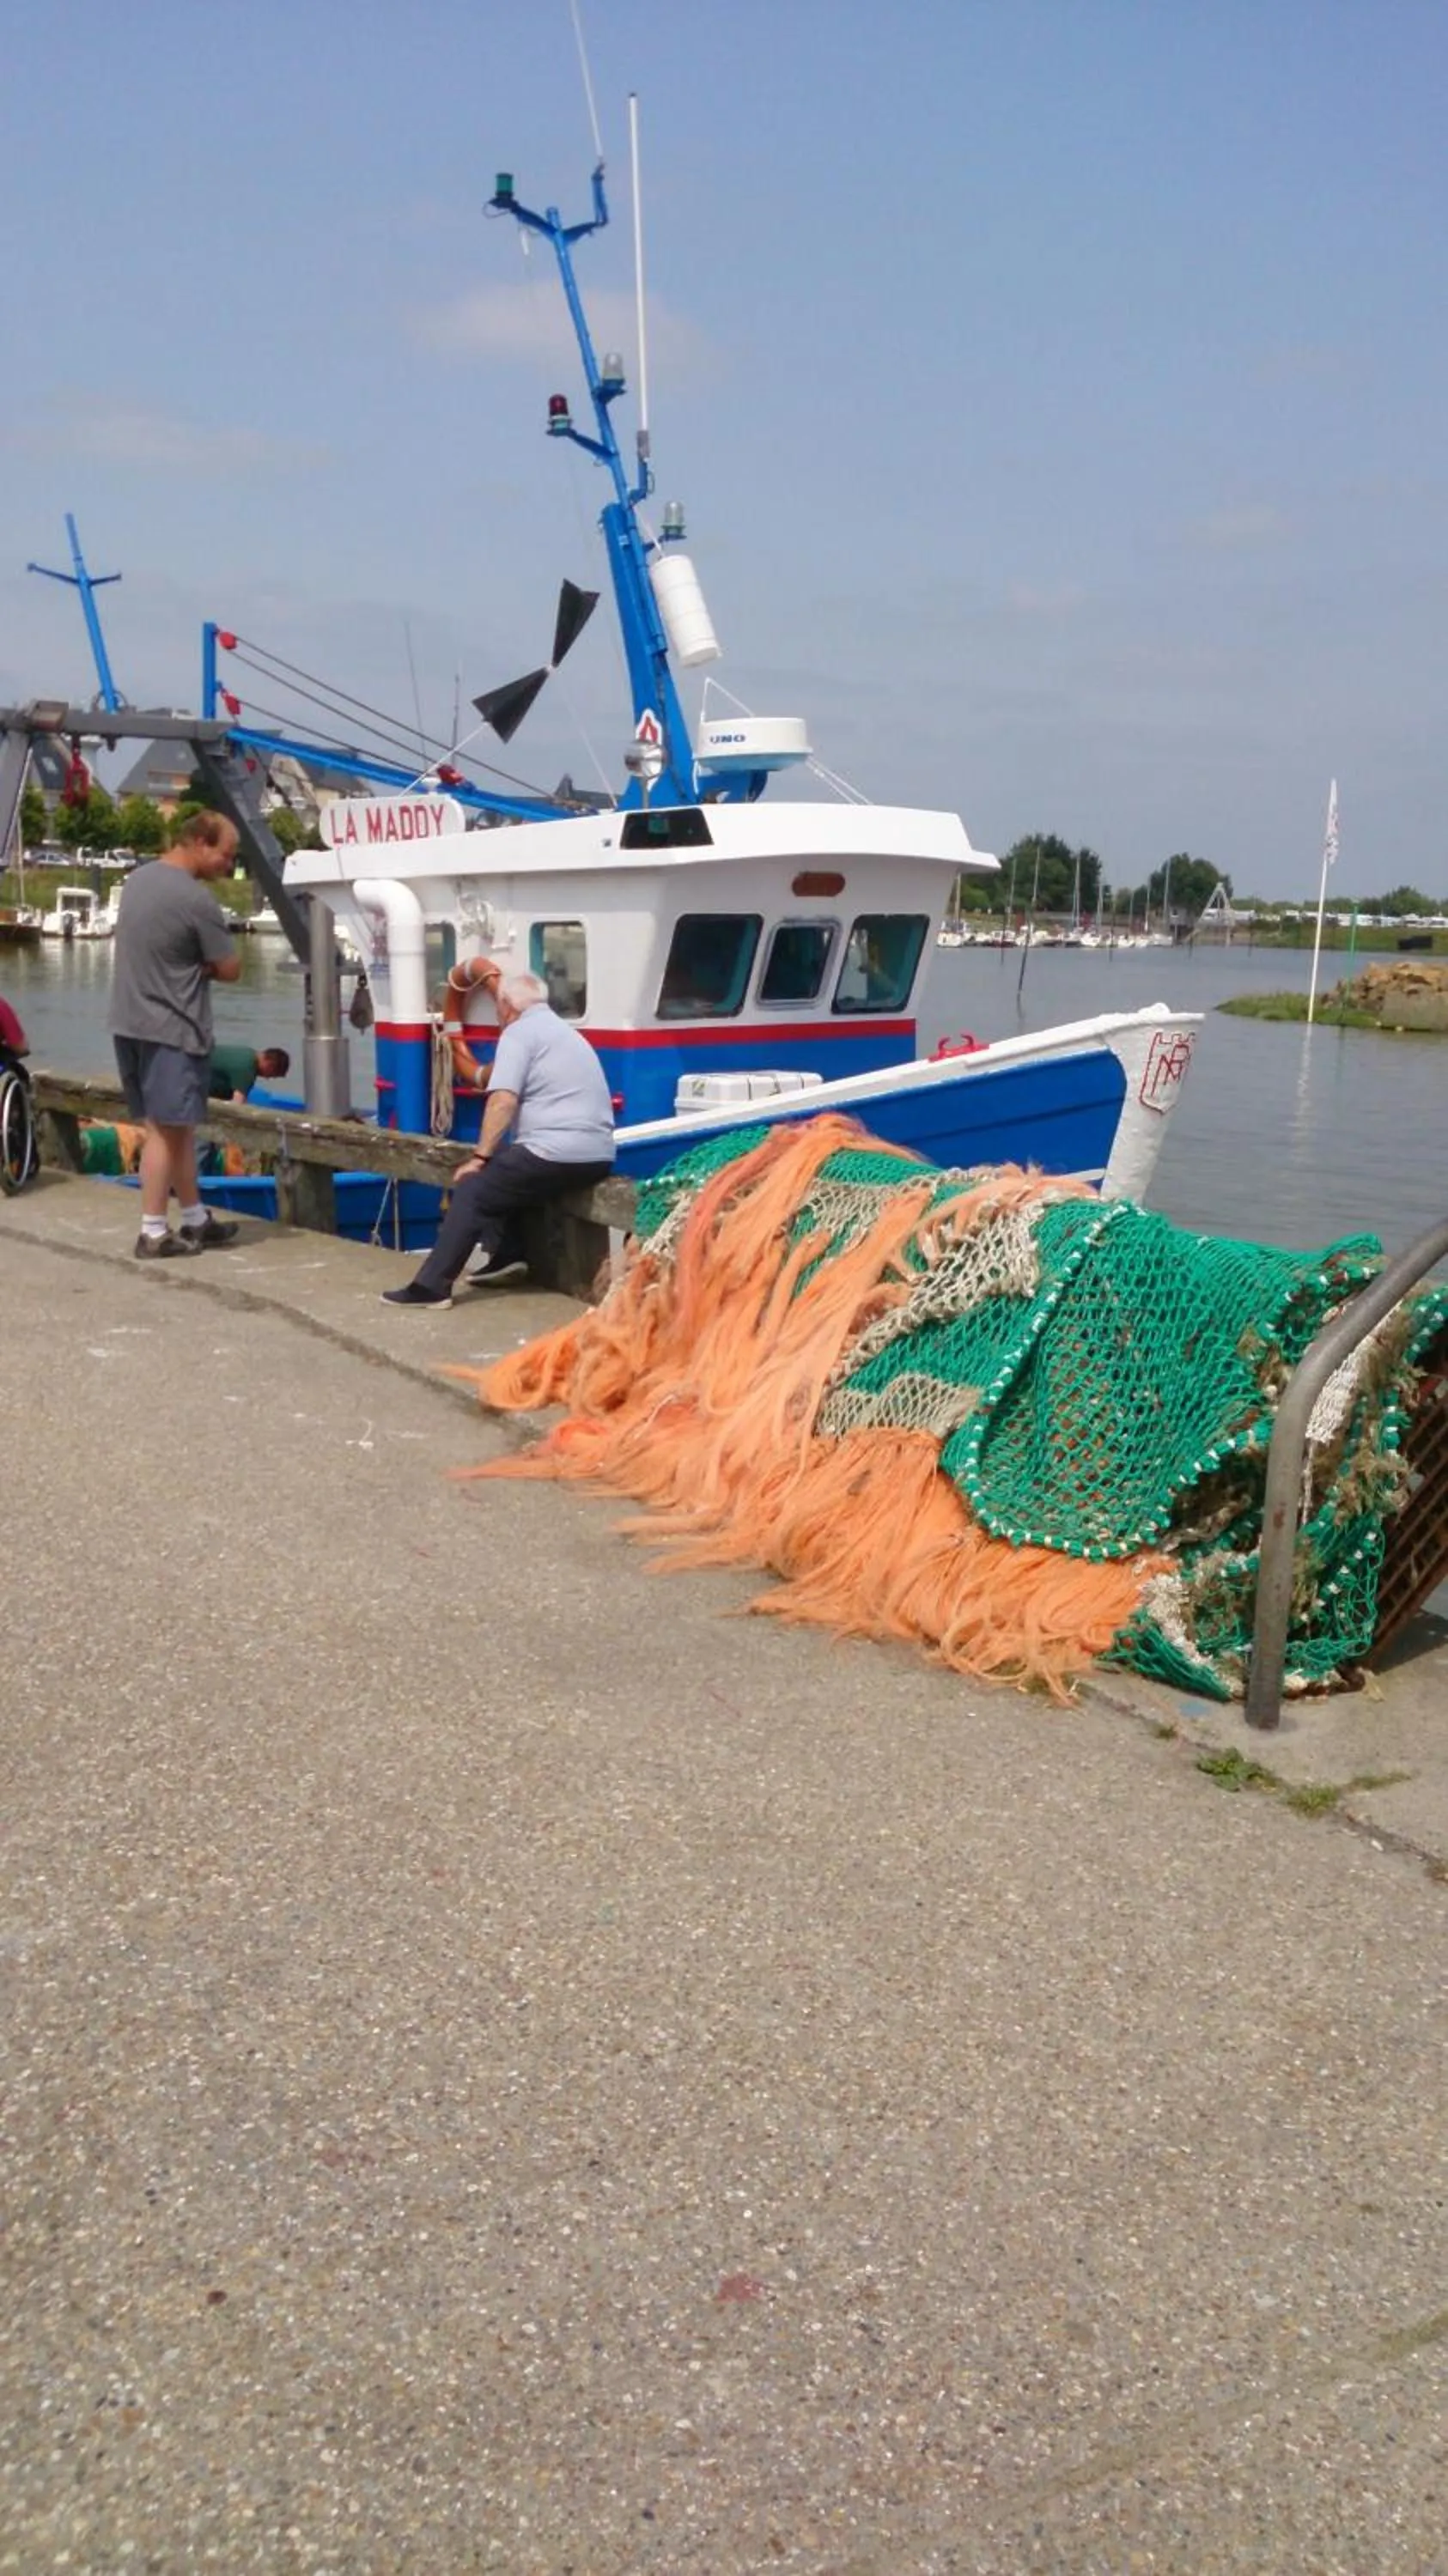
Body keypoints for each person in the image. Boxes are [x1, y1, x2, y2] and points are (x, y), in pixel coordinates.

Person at [382, 966, 615, 1309]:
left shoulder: (520, 1034)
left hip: (556, 1151)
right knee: (510, 1174)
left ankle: (432, 1287)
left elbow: (503, 1100)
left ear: (506, 1004)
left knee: (474, 1189)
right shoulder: (566, 1034)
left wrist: (480, 1157)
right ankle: (508, 1255)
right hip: (597, 1156)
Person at [108, 811, 245, 1259]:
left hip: (129, 1021)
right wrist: (200, 967)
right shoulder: (196, 900)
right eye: (226, 855)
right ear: (201, 842)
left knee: (177, 1126)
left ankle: (194, 1217)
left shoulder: (137, 880)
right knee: (165, 1132)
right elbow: (231, 968)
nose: (230, 866)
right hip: (174, 1028)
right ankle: (152, 1230)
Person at [209, 1041, 291, 1103]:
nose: (267, 1078)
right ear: (270, 1065)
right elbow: (236, 1105)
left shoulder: (248, 1053)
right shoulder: (247, 1068)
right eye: (271, 1075)